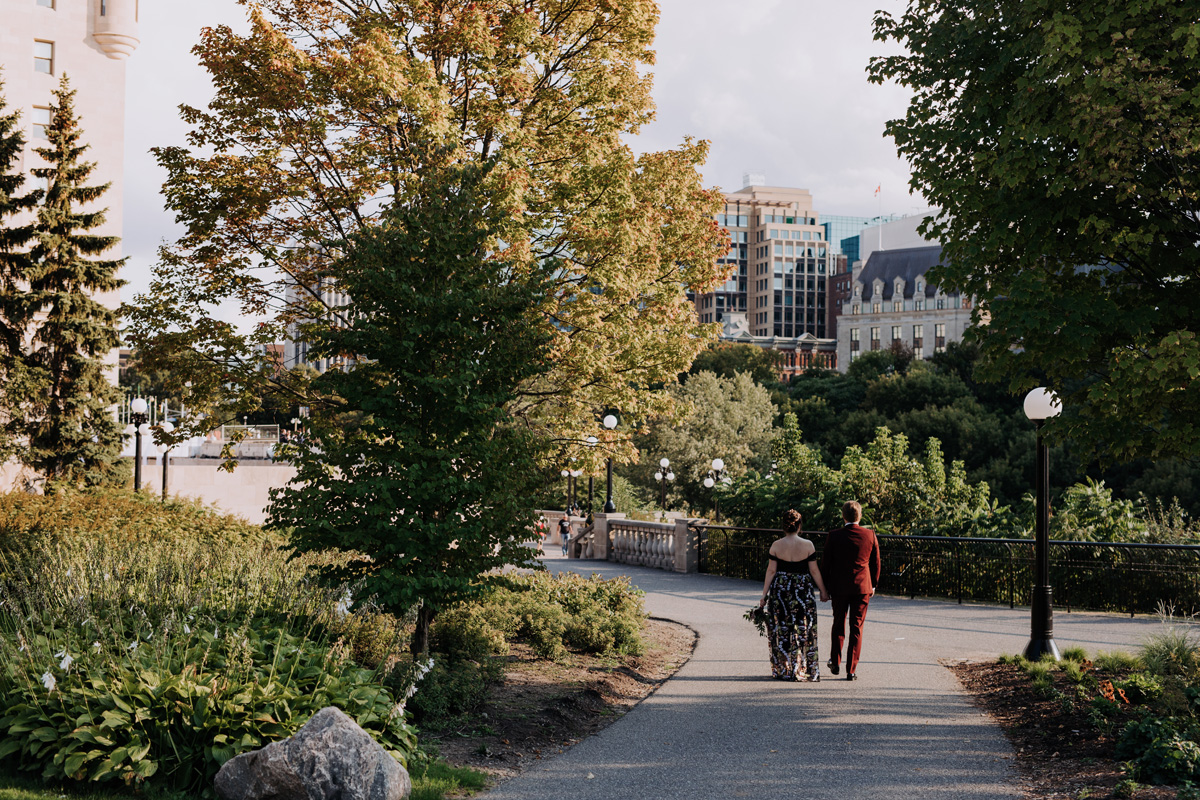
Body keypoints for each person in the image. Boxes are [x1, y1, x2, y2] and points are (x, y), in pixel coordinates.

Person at [757, 509, 829, 682]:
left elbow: (771, 570)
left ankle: (785, 669)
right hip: (802, 590)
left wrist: (764, 595)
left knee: (782, 629)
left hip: (781, 590)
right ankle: (805, 668)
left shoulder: (776, 545)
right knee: (805, 629)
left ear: (783, 525)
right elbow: (814, 571)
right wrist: (823, 591)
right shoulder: (808, 545)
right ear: (799, 525)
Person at [821, 500, 881, 681]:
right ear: (860, 516)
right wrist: (873, 584)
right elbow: (876, 562)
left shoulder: (834, 535)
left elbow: (826, 564)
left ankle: (835, 661)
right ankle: (851, 670)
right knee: (857, 627)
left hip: (838, 587)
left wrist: (824, 586)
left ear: (843, 516)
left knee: (838, 623)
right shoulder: (869, 535)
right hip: (862, 587)